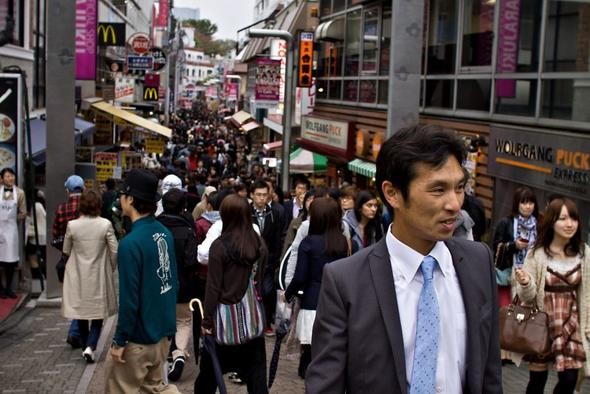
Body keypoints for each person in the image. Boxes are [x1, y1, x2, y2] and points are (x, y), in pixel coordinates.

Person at [306, 125, 502, 393]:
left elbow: (489, 374)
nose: (455, 204)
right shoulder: (345, 281)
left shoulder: (479, 262)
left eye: (459, 187)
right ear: (392, 193)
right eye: (437, 189)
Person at [105, 169, 180, 393]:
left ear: (130, 199)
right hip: (162, 333)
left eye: (122, 194)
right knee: (155, 388)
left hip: (138, 338)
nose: (120, 198)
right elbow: (173, 283)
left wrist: (119, 341)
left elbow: (129, 300)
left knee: (119, 389)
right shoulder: (164, 232)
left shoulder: (130, 243)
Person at [195, 194, 269, 394]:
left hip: (223, 323)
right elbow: (259, 282)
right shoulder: (259, 244)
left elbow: (213, 288)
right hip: (252, 321)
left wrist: (206, 321)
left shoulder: (219, 246)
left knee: (208, 377)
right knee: (256, 375)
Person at [514, 197, 590, 394]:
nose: (570, 224)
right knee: (538, 380)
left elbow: (587, 293)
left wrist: (588, 326)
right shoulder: (537, 254)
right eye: (563, 218)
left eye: (573, 218)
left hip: (571, 324)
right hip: (542, 323)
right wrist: (525, 282)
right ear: (551, 221)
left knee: (569, 379)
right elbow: (527, 297)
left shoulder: (583, 252)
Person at [285, 197, 348, 379]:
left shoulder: (309, 243)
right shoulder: (342, 242)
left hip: (312, 302)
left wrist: (288, 293)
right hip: (336, 303)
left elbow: (300, 277)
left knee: (310, 357)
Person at [61, 190, 118, 363]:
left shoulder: (72, 225)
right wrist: (112, 267)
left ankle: (86, 345)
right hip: (98, 273)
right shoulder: (105, 224)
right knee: (97, 313)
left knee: (81, 313)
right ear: (98, 205)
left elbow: (66, 250)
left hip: (77, 274)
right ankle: (90, 346)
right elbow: (114, 249)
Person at [156, 188, 199, 381]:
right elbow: (191, 261)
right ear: (184, 208)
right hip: (184, 285)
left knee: (160, 320)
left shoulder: (154, 229)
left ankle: (163, 355)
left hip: (157, 286)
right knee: (183, 321)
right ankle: (179, 353)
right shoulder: (188, 230)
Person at [493, 187, 538, 308]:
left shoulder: (538, 224)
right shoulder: (506, 222)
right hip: (508, 275)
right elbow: (496, 246)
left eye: (530, 202)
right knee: (507, 311)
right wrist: (514, 245)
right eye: (523, 202)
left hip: (531, 273)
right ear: (517, 204)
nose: (528, 206)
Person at [52, 174, 84, 347]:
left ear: (67, 190)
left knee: (74, 294)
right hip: (87, 255)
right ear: (83, 189)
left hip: (68, 256)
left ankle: (75, 330)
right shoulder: (88, 207)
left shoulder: (61, 209)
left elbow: (55, 234)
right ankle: (76, 331)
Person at [250, 179, 285, 336]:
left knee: (267, 291)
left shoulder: (275, 213)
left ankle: (266, 321)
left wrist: (276, 258)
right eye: (258, 195)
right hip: (250, 259)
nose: (261, 198)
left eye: (264, 195)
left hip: (269, 260)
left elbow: (278, 237)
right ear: (252, 195)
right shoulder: (246, 212)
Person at [0, 168, 27, 299]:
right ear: (2, 179)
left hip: (11, 230)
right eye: (7, 176)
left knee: (10, 261)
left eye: (12, 176)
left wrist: (13, 217)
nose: (10, 178)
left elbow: (23, 212)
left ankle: (9, 288)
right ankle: (0, 287)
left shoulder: (20, 193)